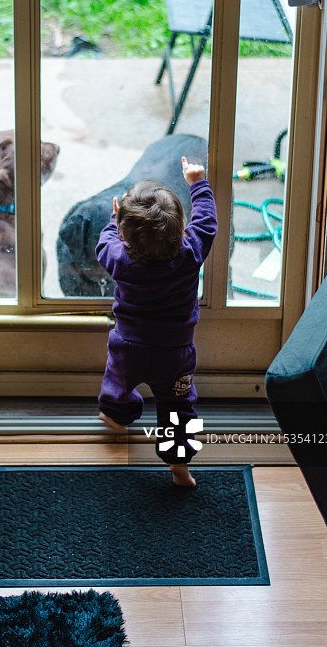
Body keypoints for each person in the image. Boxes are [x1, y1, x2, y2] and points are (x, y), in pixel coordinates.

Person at [95, 157, 218, 487]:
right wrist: (198, 183)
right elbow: (207, 224)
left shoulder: (119, 257)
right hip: (174, 353)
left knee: (117, 384)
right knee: (178, 406)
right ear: (182, 229)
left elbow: (103, 243)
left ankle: (117, 416)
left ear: (125, 234)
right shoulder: (189, 253)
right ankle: (180, 466)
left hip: (128, 347)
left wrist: (113, 218)